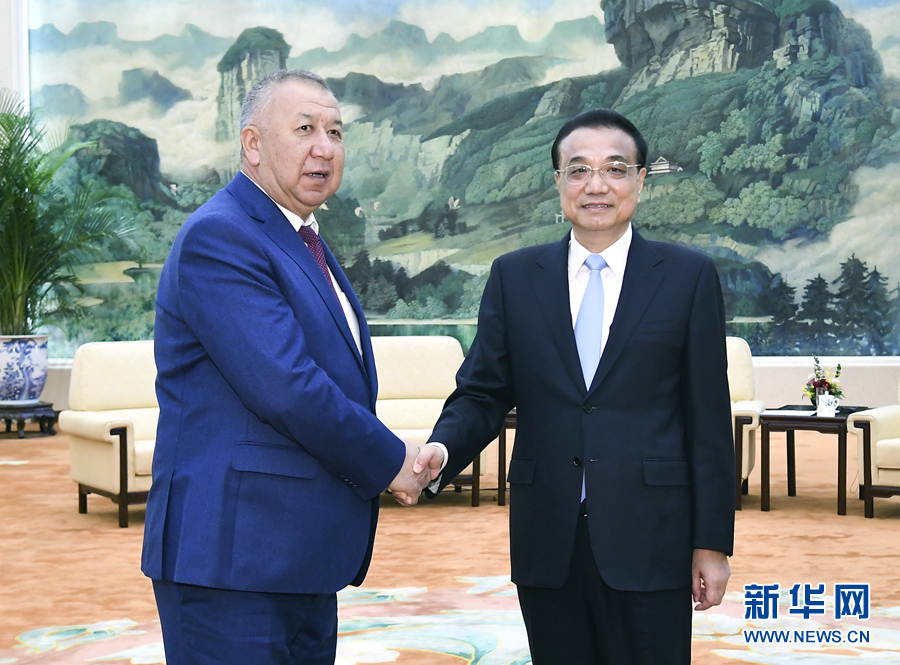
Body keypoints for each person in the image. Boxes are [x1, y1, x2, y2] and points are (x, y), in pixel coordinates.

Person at [414, 108, 735, 664]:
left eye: (615, 169)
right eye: (579, 170)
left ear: (641, 179)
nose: (597, 185)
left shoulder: (687, 276)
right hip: (548, 536)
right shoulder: (515, 276)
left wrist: (711, 543)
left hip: (652, 535)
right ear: (558, 182)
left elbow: (707, 418)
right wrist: (443, 448)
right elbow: (483, 391)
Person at [141, 69, 433, 665]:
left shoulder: (300, 238)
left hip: (296, 558)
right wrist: (391, 462)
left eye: (336, 132)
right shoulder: (221, 236)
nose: (324, 147)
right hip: (232, 563)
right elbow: (288, 387)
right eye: (304, 129)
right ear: (252, 144)